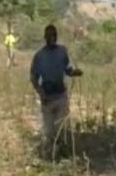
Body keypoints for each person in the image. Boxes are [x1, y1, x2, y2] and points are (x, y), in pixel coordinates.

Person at [30, 24, 83, 157]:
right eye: (50, 35)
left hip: (61, 96)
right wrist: (41, 93)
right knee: (48, 132)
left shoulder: (62, 51)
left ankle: (61, 155)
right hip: (47, 98)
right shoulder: (39, 56)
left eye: (54, 34)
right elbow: (33, 77)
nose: (52, 37)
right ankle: (48, 157)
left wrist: (74, 72)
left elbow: (67, 69)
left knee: (61, 129)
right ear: (45, 37)